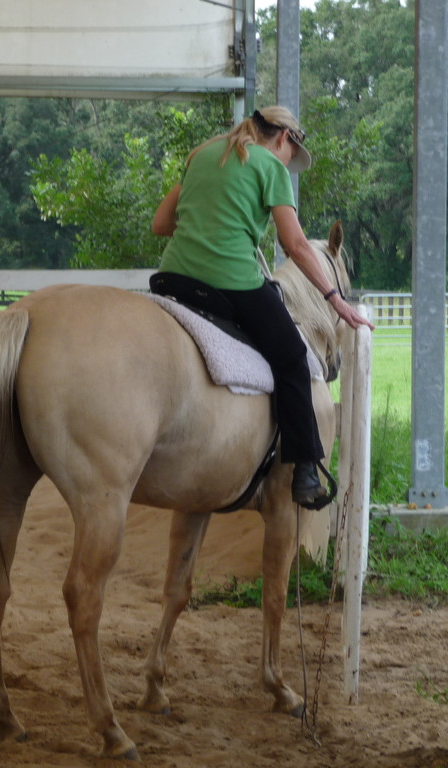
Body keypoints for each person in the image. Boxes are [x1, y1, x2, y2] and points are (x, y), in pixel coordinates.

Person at [151, 105, 373, 508]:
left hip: (173, 279)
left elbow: (161, 224)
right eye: (291, 155)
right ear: (284, 138)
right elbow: (296, 245)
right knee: (292, 358)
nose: (288, 164)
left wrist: (210, 222)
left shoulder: (203, 155)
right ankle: (305, 470)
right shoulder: (269, 166)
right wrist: (335, 299)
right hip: (229, 284)